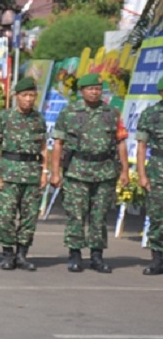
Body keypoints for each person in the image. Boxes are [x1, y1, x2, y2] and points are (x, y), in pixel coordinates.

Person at [50, 73, 129, 273]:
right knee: (76, 214)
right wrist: (55, 172)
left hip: (104, 170)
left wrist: (125, 171)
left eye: (98, 89)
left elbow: (120, 142)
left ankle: (97, 256)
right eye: (90, 89)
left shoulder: (111, 113)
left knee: (100, 216)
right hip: (77, 170)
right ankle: (75, 254)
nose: (94, 92)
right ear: (82, 91)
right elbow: (58, 143)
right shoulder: (69, 112)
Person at [0, 77, 48, 271]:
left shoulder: (38, 118)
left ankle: (22, 254)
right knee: (6, 215)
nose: (29, 99)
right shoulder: (4, 117)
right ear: (16, 96)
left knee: (29, 216)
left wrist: (45, 172)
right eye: (25, 95)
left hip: (32, 173)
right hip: (8, 171)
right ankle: (8, 253)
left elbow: (43, 147)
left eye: (32, 95)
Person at [135, 76, 163, 276]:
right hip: (158, 169)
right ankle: (158, 259)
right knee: (157, 215)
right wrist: (142, 174)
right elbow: (142, 146)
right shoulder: (151, 114)